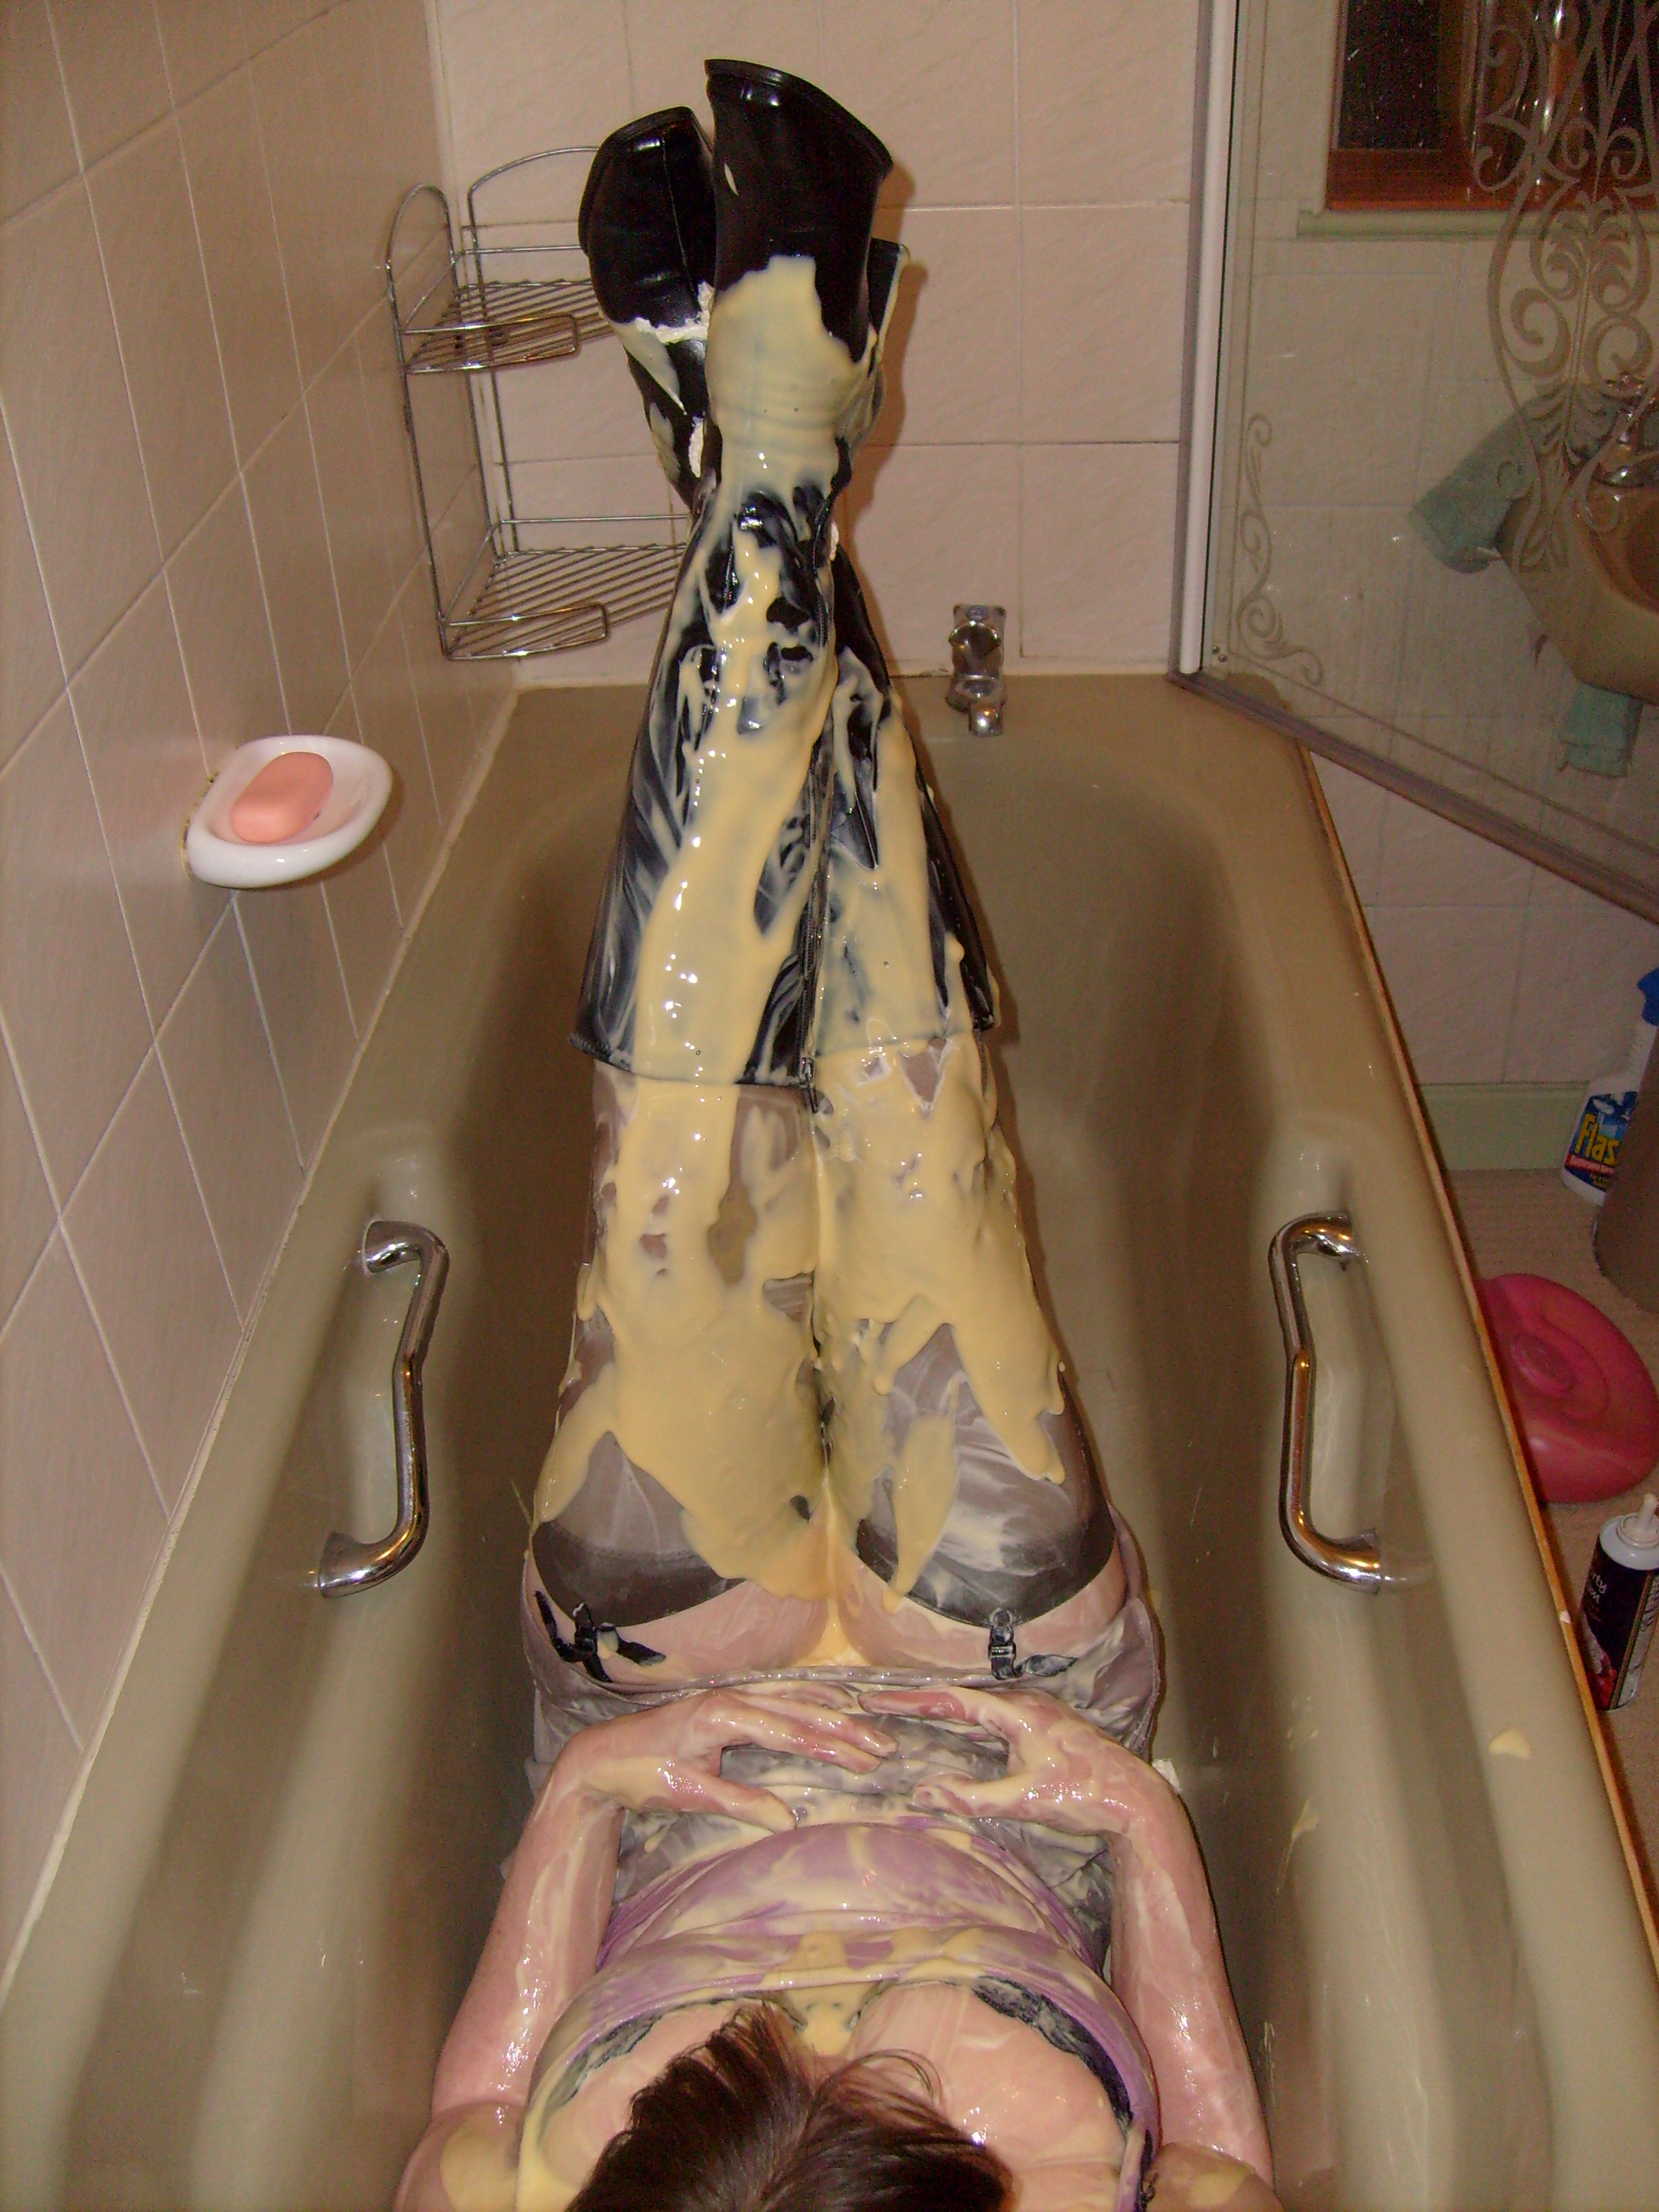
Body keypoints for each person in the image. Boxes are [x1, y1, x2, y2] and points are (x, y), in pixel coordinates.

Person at [395, 1683, 1277, 2212]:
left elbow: (478, 2106)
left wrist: (589, 1784)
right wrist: (1135, 1813)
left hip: (666, 1750)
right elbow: (1218, 2163)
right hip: (1015, 1758)